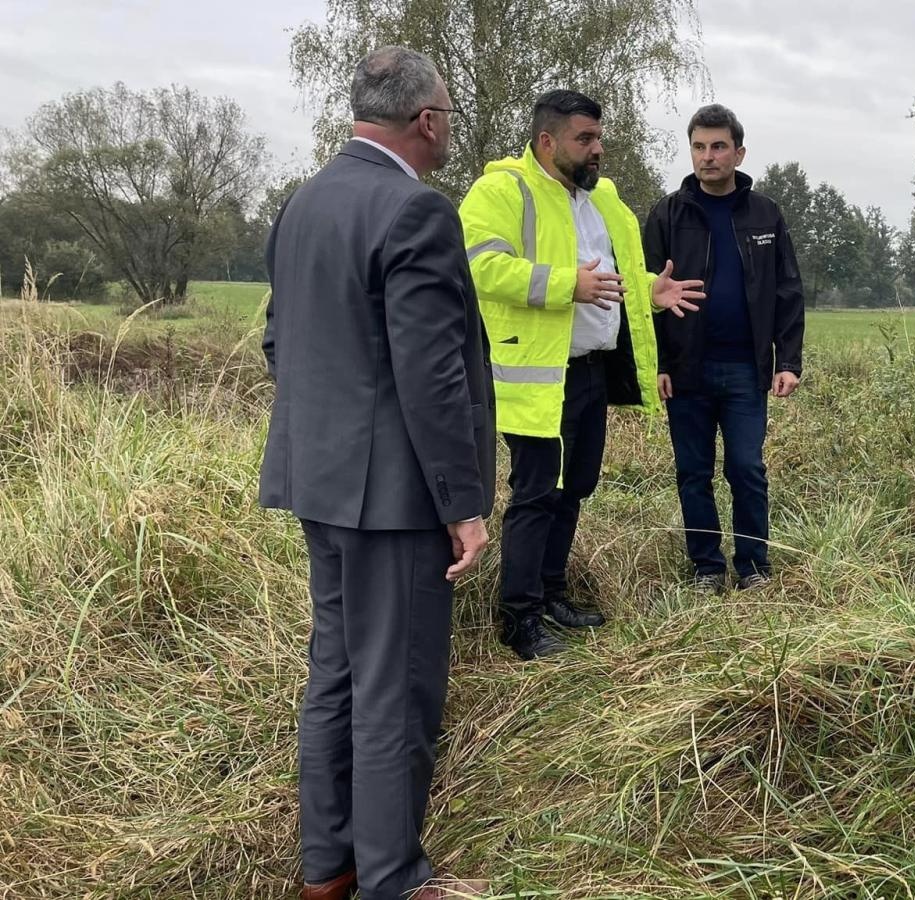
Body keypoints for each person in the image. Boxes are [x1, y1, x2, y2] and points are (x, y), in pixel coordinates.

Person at [261, 47, 492, 900]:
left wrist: (325, 436)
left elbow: (280, 340)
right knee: (395, 689)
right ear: (426, 120)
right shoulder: (414, 211)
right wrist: (462, 504)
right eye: (447, 118)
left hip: (317, 479)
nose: (446, 132)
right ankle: (393, 880)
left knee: (339, 673)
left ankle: (329, 866)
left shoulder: (303, 202)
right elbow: (431, 378)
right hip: (395, 499)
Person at [458, 89, 704, 660]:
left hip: (591, 372)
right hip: (538, 376)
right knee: (536, 494)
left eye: (599, 139)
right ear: (547, 141)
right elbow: (479, 267)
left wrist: (651, 289)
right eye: (584, 139)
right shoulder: (502, 191)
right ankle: (519, 621)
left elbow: (611, 276)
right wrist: (567, 284)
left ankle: (550, 596)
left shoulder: (602, 201)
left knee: (575, 490)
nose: (597, 150)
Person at [643, 104, 805, 592]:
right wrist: (657, 363)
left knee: (747, 468)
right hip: (686, 370)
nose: (707, 157)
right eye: (698, 146)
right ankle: (707, 568)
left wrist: (789, 360)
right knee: (693, 472)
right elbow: (644, 290)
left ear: (738, 152)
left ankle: (753, 567)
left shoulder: (765, 214)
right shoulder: (668, 214)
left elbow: (787, 291)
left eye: (718, 146)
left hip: (744, 369)